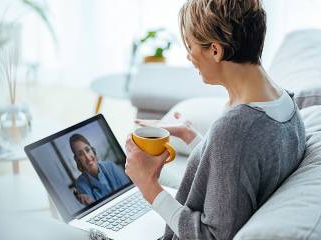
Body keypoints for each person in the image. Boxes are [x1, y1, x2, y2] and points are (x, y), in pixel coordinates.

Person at [125, 0, 306, 239]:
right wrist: (190, 136)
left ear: (215, 50)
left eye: (190, 45)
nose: (189, 56)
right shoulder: (284, 102)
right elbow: (239, 170)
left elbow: (212, 236)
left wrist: (149, 187)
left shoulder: (236, 129)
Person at [70, 133, 130, 205]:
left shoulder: (110, 166)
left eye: (87, 150)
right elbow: (93, 209)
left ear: (92, 150)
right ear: (77, 159)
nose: (88, 157)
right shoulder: (81, 183)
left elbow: (129, 191)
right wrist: (91, 203)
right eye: (80, 154)